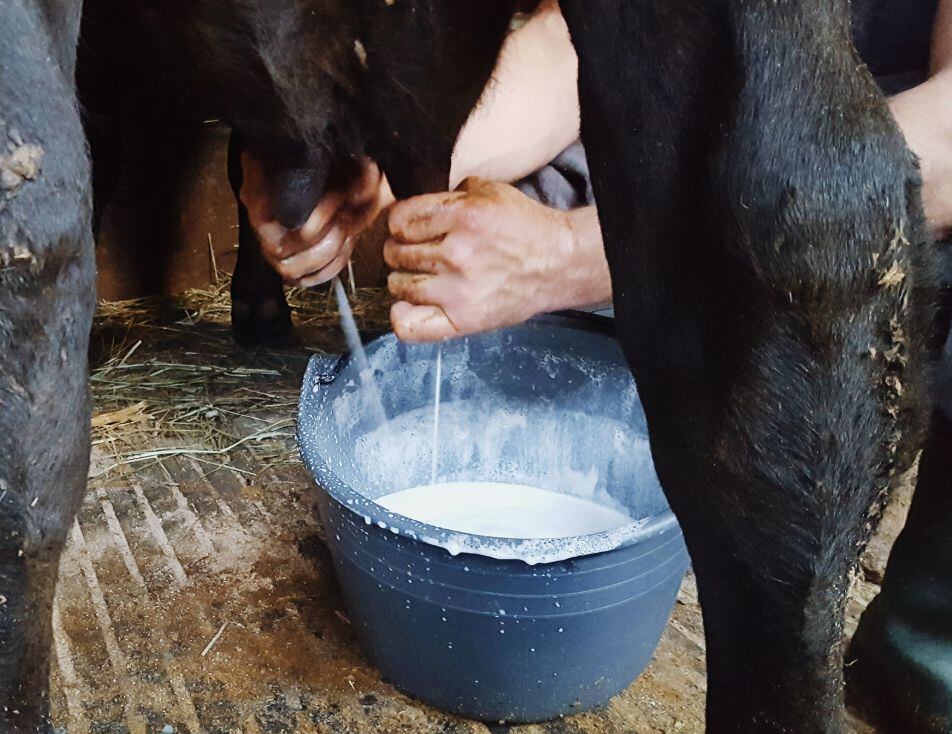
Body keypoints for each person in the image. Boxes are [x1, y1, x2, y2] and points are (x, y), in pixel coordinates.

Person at [241, 2, 952, 729]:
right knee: (529, 236)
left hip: (888, 194)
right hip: (717, 151)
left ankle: (922, 658)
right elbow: (590, 41)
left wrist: (570, 258)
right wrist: (392, 160)